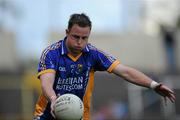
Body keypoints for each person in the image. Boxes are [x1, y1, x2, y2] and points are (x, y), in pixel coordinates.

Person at [33, 13, 176, 120]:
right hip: (47, 115)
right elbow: (46, 83)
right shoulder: (51, 53)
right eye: (76, 37)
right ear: (67, 32)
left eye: (84, 38)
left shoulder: (93, 54)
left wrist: (153, 85)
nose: (80, 42)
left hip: (80, 116)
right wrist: (53, 99)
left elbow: (125, 71)